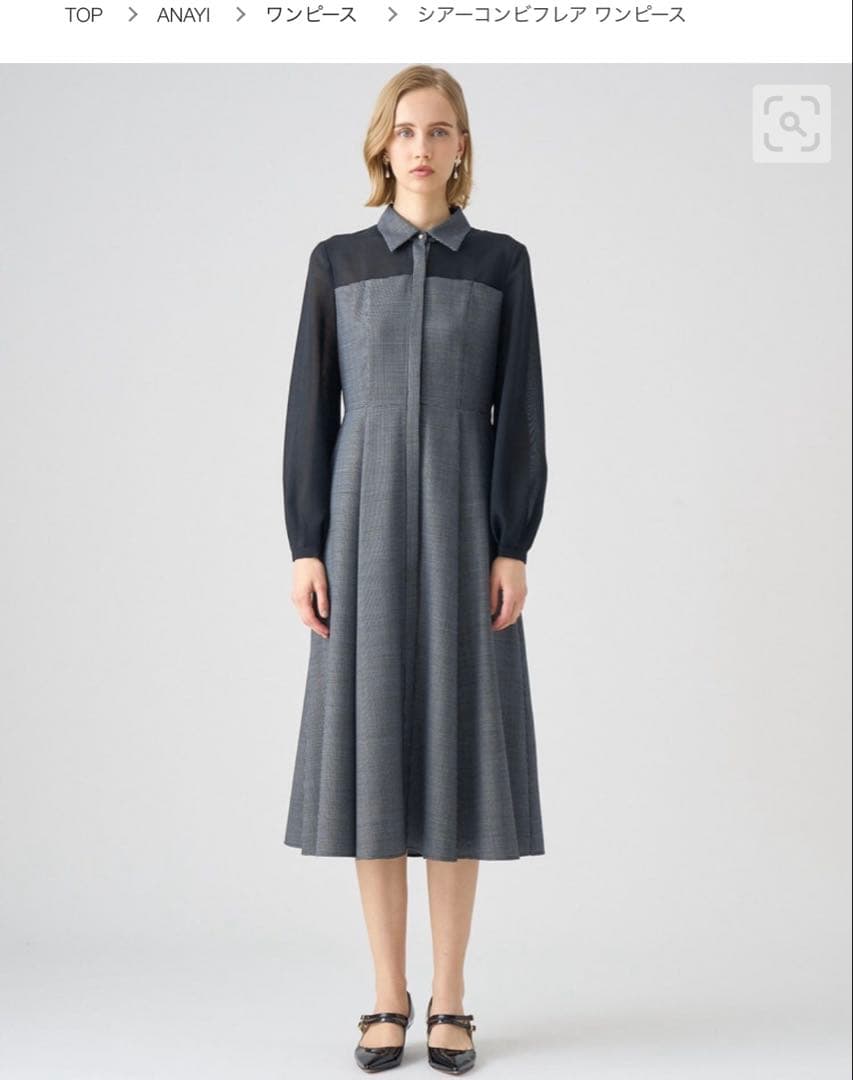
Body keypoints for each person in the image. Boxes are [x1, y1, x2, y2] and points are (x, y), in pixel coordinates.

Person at [281, 64, 548, 1075]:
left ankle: (452, 997)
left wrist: (512, 541)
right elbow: (311, 409)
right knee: (373, 761)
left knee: (457, 758)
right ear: (381, 146)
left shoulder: (502, 264)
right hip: (360, 533)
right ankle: (386, 994)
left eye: (439, 130)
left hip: (464, 531)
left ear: (461, 146)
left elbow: (520, 410)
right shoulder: (338, 262)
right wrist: (305, 543)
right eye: (405, 131)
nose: (421, 147)